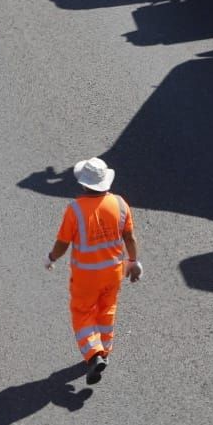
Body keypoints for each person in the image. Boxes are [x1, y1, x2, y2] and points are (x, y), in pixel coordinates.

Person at [45, 156, 142, 385]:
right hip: (114, 272)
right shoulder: (119, 204)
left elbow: (62, 243)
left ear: (83, 184)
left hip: (86, 276)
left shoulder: (75, 210)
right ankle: (105, 350)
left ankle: (94, 354)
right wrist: (134, 262)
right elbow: (129, 237)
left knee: (82, 313)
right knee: (107, 310)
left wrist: (51, 258)